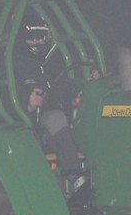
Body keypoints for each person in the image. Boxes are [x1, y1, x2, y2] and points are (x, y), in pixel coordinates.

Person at [13, 11, 85, 182]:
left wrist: (88, 82)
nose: (39, 42)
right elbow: (4, 102)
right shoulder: (13, 65)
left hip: (59, 116)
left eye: (42, 37)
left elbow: (67, 88)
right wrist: (28, 104)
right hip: (29, 122)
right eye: (34, 38)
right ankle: (75, 176)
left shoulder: (52, 62)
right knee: (55, 118)